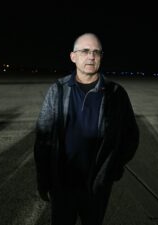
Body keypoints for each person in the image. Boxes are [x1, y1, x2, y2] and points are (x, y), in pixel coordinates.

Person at [34, 33, 139, 225]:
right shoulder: (57, 90)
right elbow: (43, 139)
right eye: (85, 51)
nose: (91, 56)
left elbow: (131, 136)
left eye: (96, 52)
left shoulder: (116, 94)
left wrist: (113, 168)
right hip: (62, 184)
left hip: (97, 187)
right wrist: (43, 179)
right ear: (73, 57)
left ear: (100, 57)